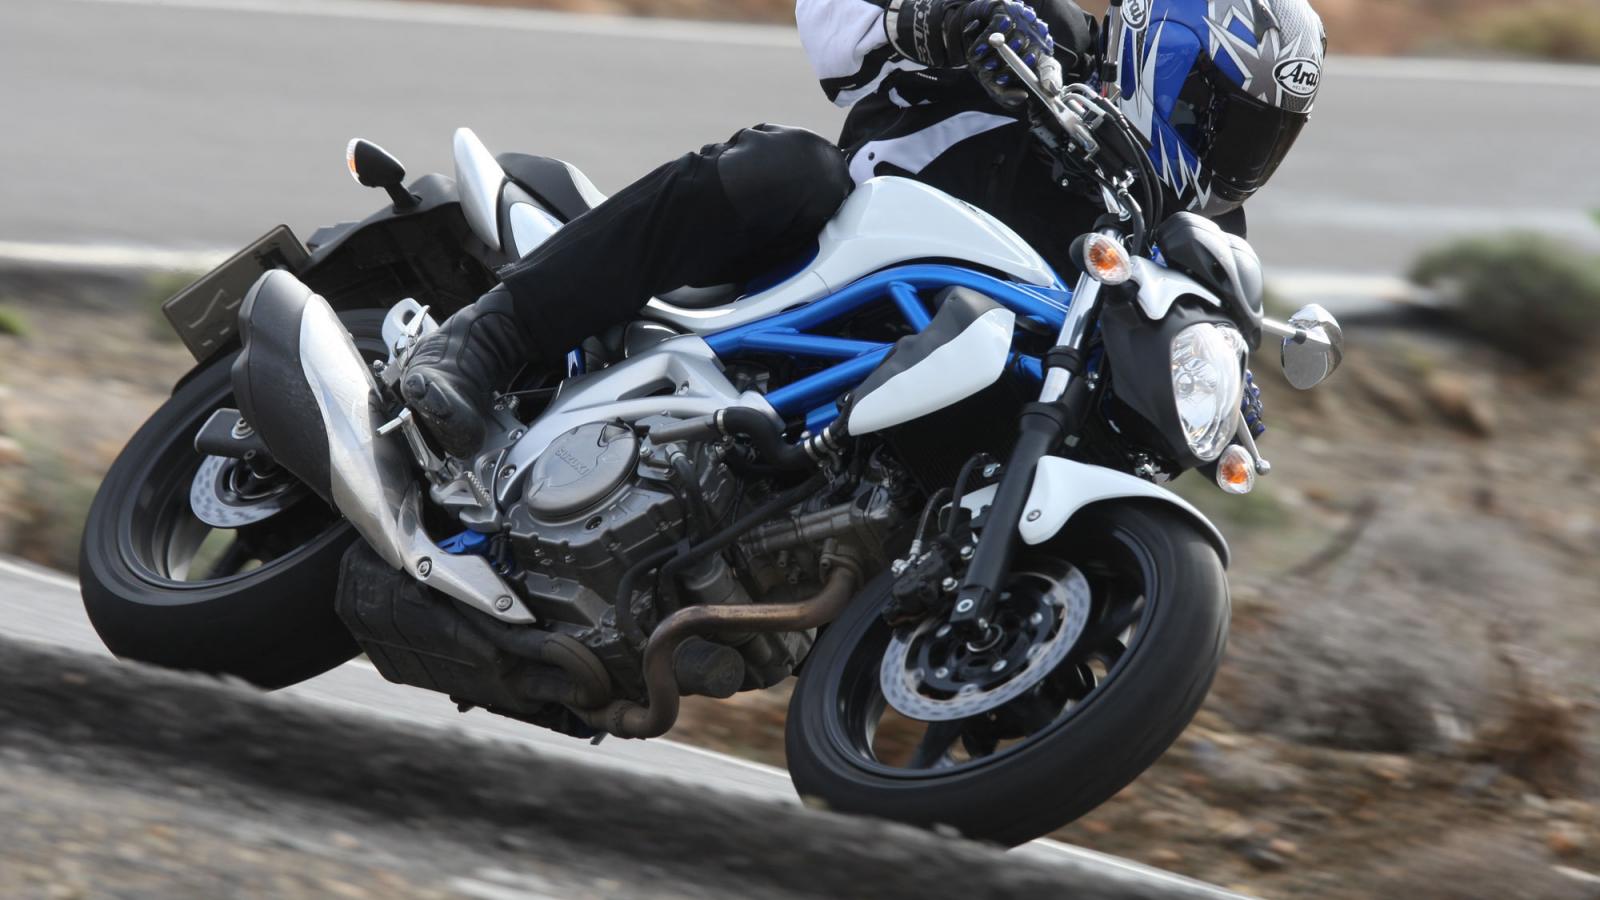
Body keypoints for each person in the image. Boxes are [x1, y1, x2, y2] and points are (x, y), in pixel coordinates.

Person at [400, 0, 1326, 459]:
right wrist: (938, 21)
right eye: (1227, 122)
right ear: (1172, 59)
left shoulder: (1199, 235)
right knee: (790, 168)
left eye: (1264, 141)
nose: (1234, 159)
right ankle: (488, 337)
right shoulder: (1040, 35)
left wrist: (1220, 387)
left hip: (969, 385)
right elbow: (834, 25)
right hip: (832, 265)